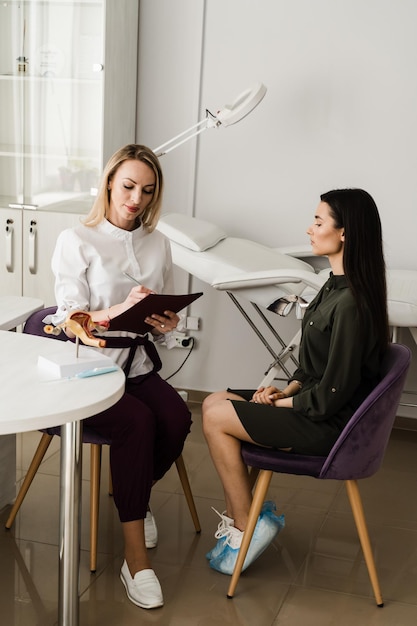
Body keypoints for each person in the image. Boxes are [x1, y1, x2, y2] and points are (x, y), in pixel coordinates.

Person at [202, 188, 390, 575]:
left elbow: (329, 397)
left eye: (319, 221)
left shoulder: (353, 303)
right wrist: (283, 390)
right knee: (214, 399)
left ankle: (245, 528)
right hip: (311, 407)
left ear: (345, 234)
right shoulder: (331, 286)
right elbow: (311, 367)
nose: (310, 228)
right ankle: (251, 517)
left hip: (329, 426)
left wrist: (279, 405)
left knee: (217, 417)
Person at [48, 144, 192, 609]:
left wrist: (168, 324)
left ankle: (135, 494)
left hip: (139, 362)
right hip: (91, 367)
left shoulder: (158, 242)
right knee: (137, 424)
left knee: (176, 418)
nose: (136, 199)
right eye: (128, 186)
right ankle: (135, 560)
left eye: (147, 191)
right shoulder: (77, 239)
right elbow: (70, 317)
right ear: (109, 182)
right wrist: (115, 311)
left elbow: (163, 314)